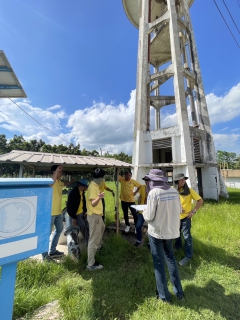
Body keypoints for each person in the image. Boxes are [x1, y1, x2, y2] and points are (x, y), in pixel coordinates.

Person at [143, 169, 184, 303]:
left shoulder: (153, 193)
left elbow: (149, 216)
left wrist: (143, 211)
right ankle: (179, 292)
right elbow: (180, 210)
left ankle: (164, 296)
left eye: (148, 180)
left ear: (152, 181)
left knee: (159, 263)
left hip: (157, 233)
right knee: (170, 259)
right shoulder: (174, 191)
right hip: (171, 232)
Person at [173, 173, 203, 266]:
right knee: (177, 234)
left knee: (187, 237)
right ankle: (178, 247)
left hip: (186, 218)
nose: (183, 181)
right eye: (181, 180)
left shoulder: (189, 191)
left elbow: (200, 200)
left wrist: (193, 211)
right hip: (175, 217)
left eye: (184, 179)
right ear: (177, 181)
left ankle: (188, 256)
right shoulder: (173, 191)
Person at [42, 165, 71, 260]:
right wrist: (56, 170)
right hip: (50, 213)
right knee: (47, 234)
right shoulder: (51, 181)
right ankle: (45, 255)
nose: (61, 172)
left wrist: (73, 182)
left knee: (59, 230)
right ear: (54, 171)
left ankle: (53, 251)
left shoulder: (59, 182)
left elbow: (65, 184)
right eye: (59, 171)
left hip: (58, 212)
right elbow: (51, 183)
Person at [86, 168, 106, 270]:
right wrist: (100, 197)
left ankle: (96, 248)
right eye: (103, 177)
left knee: (102, 229)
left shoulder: (95, 185)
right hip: (94, 216)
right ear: (100, 177)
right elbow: (93, 203)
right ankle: (90, 264)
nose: (103, 179)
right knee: (93, 240)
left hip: (97, 216)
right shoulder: (93, 187)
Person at [67, 179, 89, 245]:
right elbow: (72, 206)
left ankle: (88, 238)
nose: (86, 188)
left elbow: (83, 202)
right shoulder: (74, 193)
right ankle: (87, 240)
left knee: (87, 225)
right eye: (86, 187)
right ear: (81, 186)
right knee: (82, 226)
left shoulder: (81, 191)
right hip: (76, 214)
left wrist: (85, 211)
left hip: (82, 212)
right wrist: (74, 218)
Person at [134, 176, 150, 247]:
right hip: (142, 211)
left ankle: (150, 243)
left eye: (148, 180)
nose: (146, 181)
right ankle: (138, 240)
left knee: (151, 228)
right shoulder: (143, 187)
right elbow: (140, 197)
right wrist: (138, 206)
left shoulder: (153, 188)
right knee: (138, 226)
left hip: (150, 211)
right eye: (145, 180)